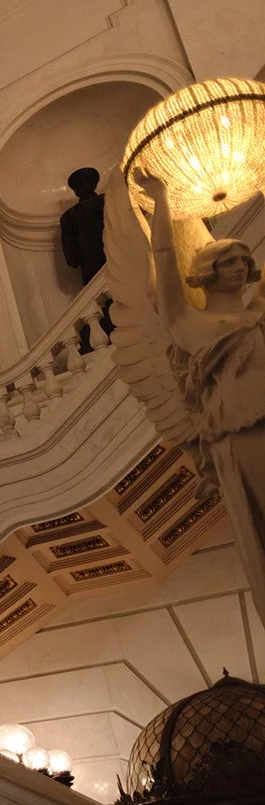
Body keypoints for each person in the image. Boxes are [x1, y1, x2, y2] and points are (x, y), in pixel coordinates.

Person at [131, 170, 265, 623]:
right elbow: (165, 259)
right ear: (206, 273)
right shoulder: (190, 325)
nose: (240, 267)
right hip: (238, 434)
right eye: (230, 261)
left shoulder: (258, 312)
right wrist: (162, 199)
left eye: (244, 261)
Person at [60, 166, 106, 287]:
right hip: (95, 271)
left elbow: (72, 257)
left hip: (105, 265)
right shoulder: (68, 217)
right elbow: (71, 257)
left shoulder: (107, 199)